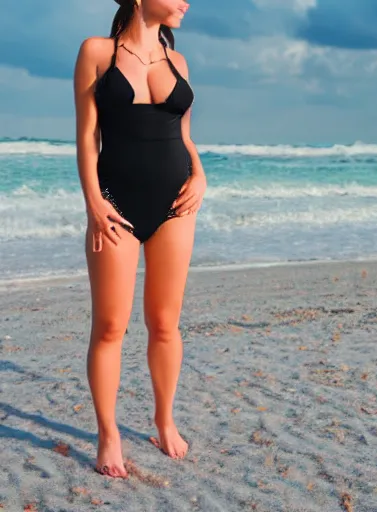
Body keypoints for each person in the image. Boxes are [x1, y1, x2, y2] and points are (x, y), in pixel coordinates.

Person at [73, 0, 206, 478]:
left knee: (166, 324)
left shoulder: (179, 60)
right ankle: (108, 432)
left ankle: (164, 418)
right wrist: (93, 202)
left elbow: (184, 135)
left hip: (177, 204)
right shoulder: (96, 52)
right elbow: (87, 137)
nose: (186, 2)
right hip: (115, 203)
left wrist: (202, 174)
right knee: (110, 326)